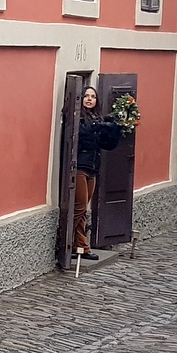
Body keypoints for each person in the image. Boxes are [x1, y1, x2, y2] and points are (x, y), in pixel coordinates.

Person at [73, 86, 122, 260]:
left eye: (93, 97)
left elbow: (105, 144)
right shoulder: (78, 117)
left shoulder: (96, 118)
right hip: (79, 167)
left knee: (83, 209)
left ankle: (81, 246)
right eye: (86, 96)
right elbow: (83, 133)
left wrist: (114, 129)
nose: (89, 99)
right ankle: (64, 240)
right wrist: (98, 126)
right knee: (79, 208)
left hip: (92, 168)